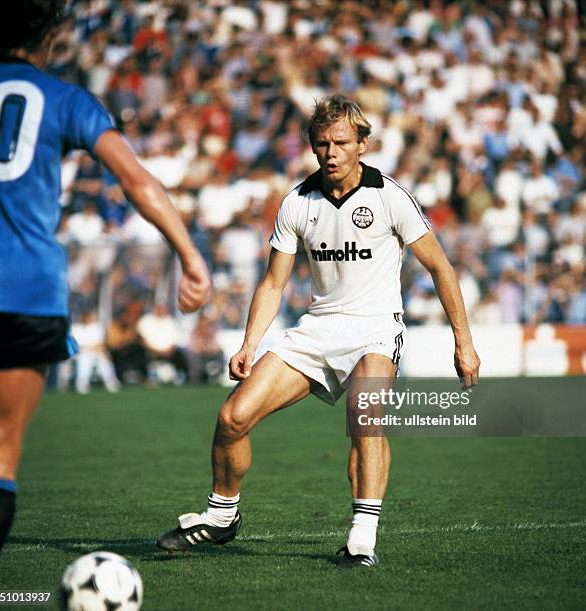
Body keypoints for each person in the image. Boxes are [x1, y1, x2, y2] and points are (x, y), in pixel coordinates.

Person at [157, 95, 480, 568]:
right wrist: (249, 343)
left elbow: (441, 267)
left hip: (374, 329)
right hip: (317, 331)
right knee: (232, 417)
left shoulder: (389, 196)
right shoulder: (297, 202)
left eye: (340, 142)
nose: (330, 152)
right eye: (321, 143)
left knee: (364, 415)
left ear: (362, 145)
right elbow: (273, 282)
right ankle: (223, 514)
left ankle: (361, 540)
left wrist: (464, 342)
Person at [0, 0, 210, 586]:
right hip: (26, 290)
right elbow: (137, 181)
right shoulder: (67, 100)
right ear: (54, 36)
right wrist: (190, 258)